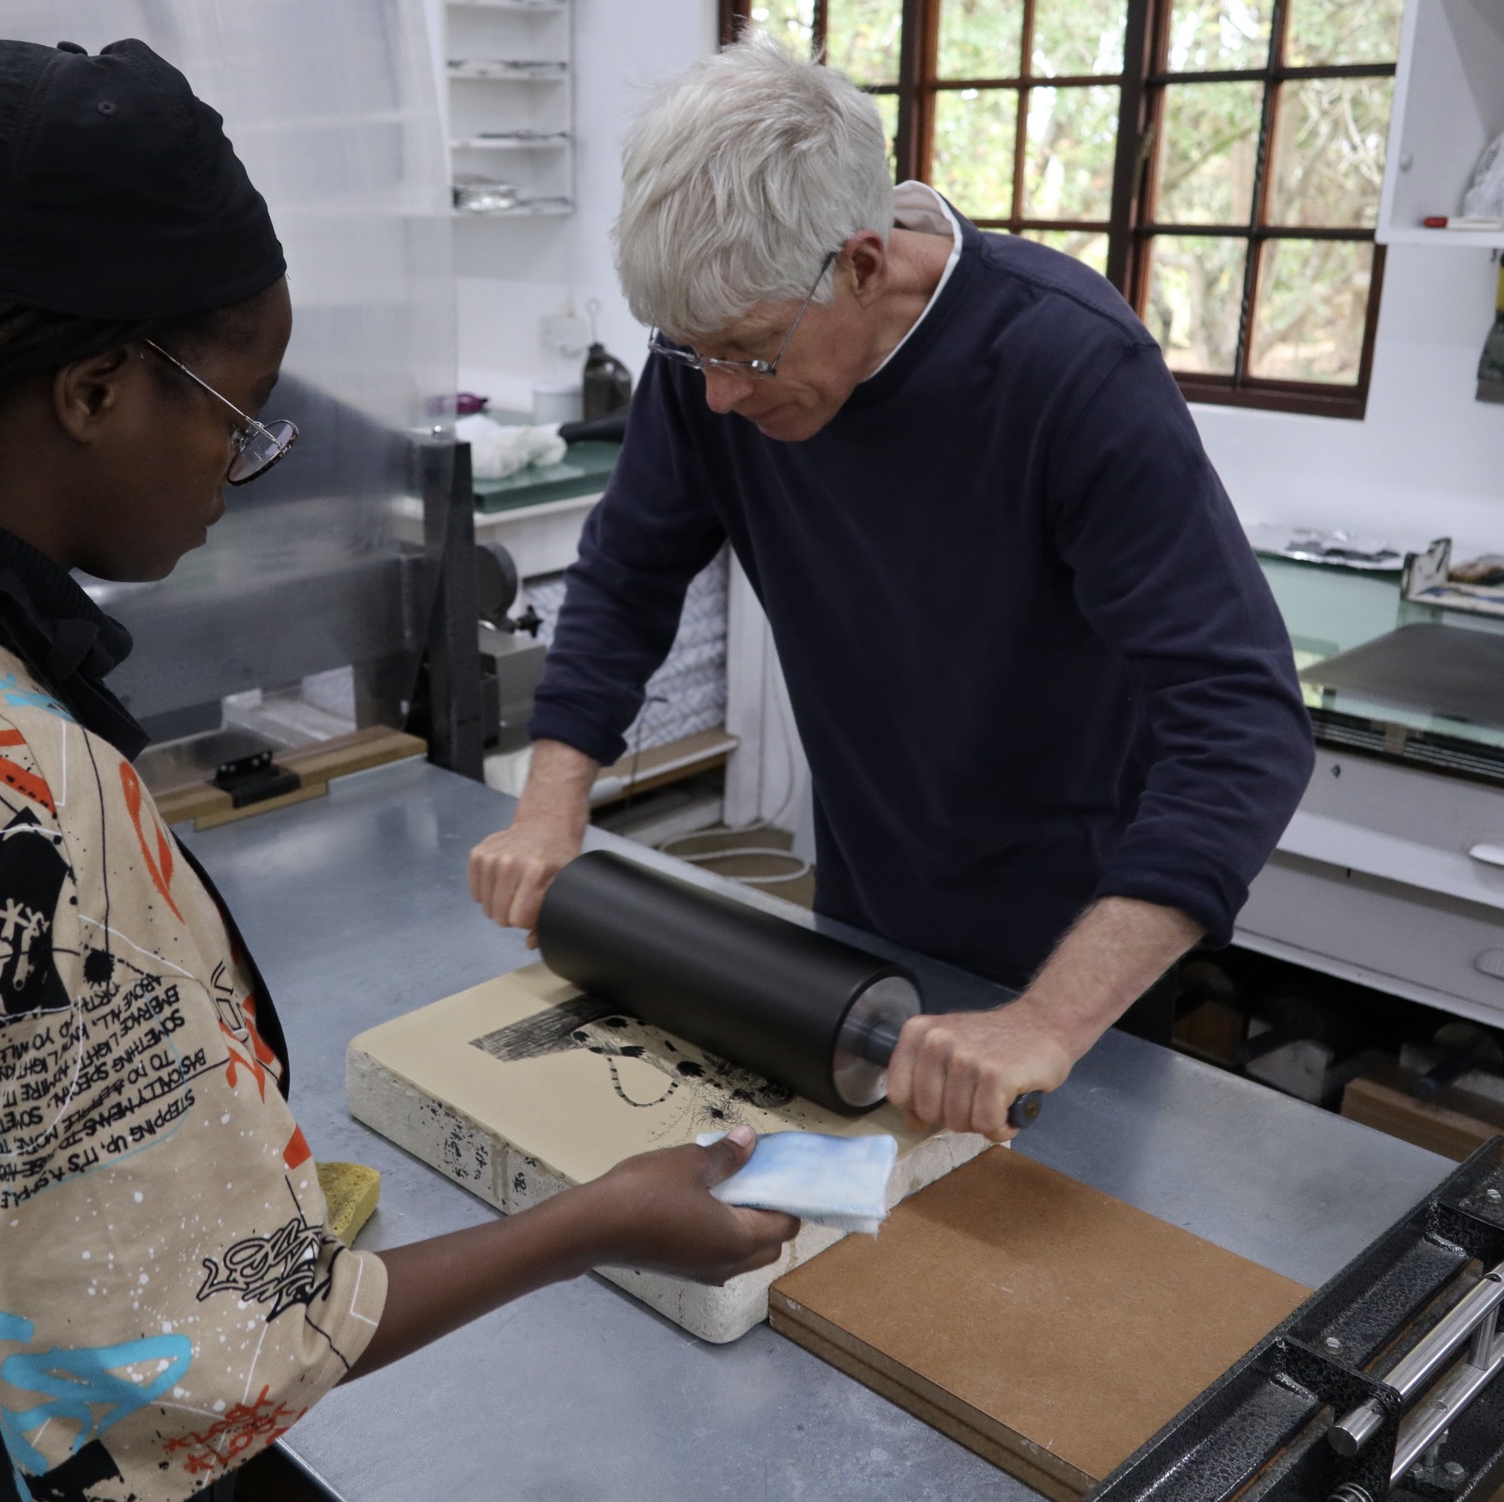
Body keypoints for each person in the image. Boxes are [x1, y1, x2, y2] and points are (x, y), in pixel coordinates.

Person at [0, 39, 794, 1502]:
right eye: (240, 413)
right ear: (98, 389)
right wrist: (600, 1217)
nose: (241, 468)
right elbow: (198, 1353)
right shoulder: (27, 819)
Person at [469, 33, 1314, 1142]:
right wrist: (548, 808)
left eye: (749, 351)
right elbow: (626, 571)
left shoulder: (1069, 370)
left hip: (1074, 936)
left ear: (860, 265)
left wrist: (1046, 1020)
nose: (718, 394)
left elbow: (1244, 725)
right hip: (865, 897)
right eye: (690, 352)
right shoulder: (711, 359)